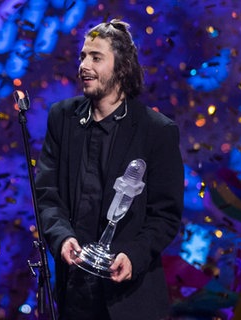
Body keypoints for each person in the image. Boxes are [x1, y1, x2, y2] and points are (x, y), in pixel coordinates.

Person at [35, 19, 184, 320]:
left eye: (96, 57)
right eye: (82, 56)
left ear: (122, 68)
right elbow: (46, 193)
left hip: (129, 300)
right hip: (74, 295)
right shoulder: (62, 118)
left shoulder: (156, 131)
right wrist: (62, 237)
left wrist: (134, 255)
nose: (84, 66)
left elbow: (165, 214)